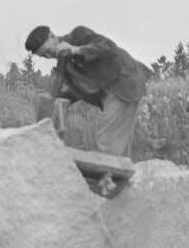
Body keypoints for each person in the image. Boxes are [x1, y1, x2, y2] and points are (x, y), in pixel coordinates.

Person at [24, 24, 152, 157]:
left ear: (52, 36)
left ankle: (107, 169)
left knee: (106, 139)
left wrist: (76, 50)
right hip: (113, 92)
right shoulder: (65, 67)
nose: (49, 55)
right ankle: (117, 168)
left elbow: (109, 47)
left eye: (48, 51)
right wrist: (52, 103)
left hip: (124, 82)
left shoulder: (78, 35)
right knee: (116, 143)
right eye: (44, 56)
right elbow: (79, 90)